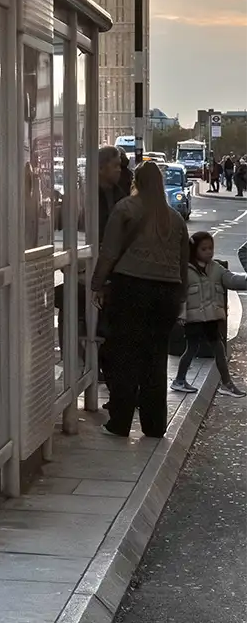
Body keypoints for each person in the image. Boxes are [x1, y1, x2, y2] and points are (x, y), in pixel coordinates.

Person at [93, 159, 189, 438]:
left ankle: (120, 422)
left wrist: (97, 284)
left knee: (124, 354)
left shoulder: (125, 209)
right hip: (167, 293)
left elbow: (110, 252)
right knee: (155, 358)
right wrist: (180, 296)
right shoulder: (175, 218)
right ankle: (155, 425)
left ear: (136, 181)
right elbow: (183, 264)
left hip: (131, 288)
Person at [172, 231, 247, 396]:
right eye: (203, 249)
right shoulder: (185, 270)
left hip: (212, 318)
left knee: (219, 350)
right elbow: (180, 295)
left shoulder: (216, 269)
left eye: (210, 248)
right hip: (193, 319)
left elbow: (231, 279)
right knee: (191, 349)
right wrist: (180, 315)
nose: (208, 252)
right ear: (194, 250)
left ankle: (227, 384)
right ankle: (179, 379)